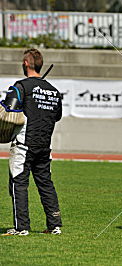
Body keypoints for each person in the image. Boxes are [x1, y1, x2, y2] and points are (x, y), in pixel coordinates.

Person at [1, 49, 63, 236]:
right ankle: (54, 224)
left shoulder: (21, 87)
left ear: (26, 64)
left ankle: (22, 227)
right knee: (45, 183)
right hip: (45, 145)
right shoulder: (54, 91)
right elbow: (57, 116)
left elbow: (8, 110)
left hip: (23, 144)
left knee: (18, 183)